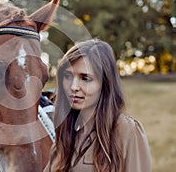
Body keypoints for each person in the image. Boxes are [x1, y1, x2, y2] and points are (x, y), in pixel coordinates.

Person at [44, 39, 152, 172]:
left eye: (85, 78)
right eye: (68, 76)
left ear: (104, 84)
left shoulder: (126, 131)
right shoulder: (65, 136)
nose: (74, 87)